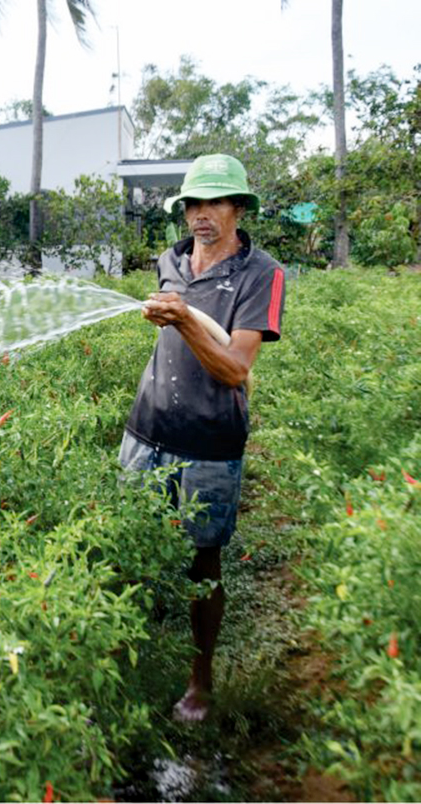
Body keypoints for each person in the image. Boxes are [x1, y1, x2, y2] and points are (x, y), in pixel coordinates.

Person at [120, 153, 286, 722]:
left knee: (202, 564)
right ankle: (117, 655)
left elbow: (237, 368)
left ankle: (200, 682)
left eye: (215, 202)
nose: (201, 215)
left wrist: (185, 318)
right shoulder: (170, 259)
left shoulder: (260, 273)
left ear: (239, 208)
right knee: (126, 547)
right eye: (193, 204)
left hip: (209, 440)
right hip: (146, 430)